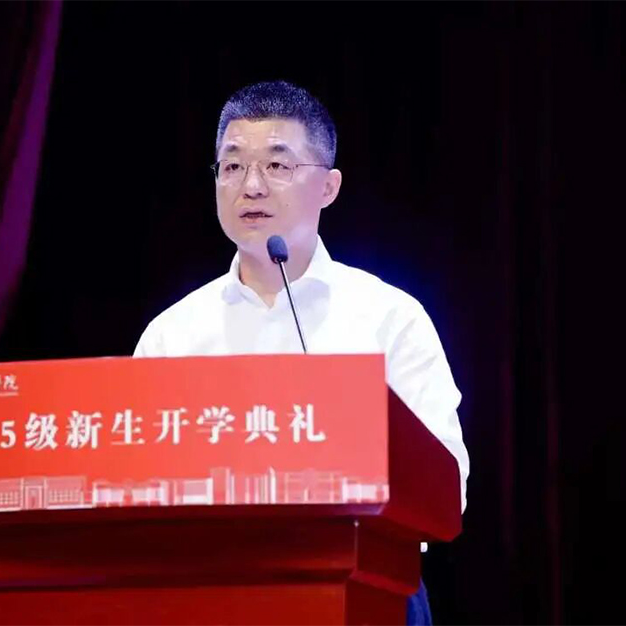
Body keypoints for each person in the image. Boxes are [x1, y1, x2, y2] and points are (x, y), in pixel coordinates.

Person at [135, 86, 465, 598]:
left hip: (358, 584)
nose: (251, 186)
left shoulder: (388, 318)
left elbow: (445, 488)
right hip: (206, 585)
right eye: (232, 166)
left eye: (277, 165)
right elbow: (133, 483)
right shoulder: (172, 335)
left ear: (329, 187)